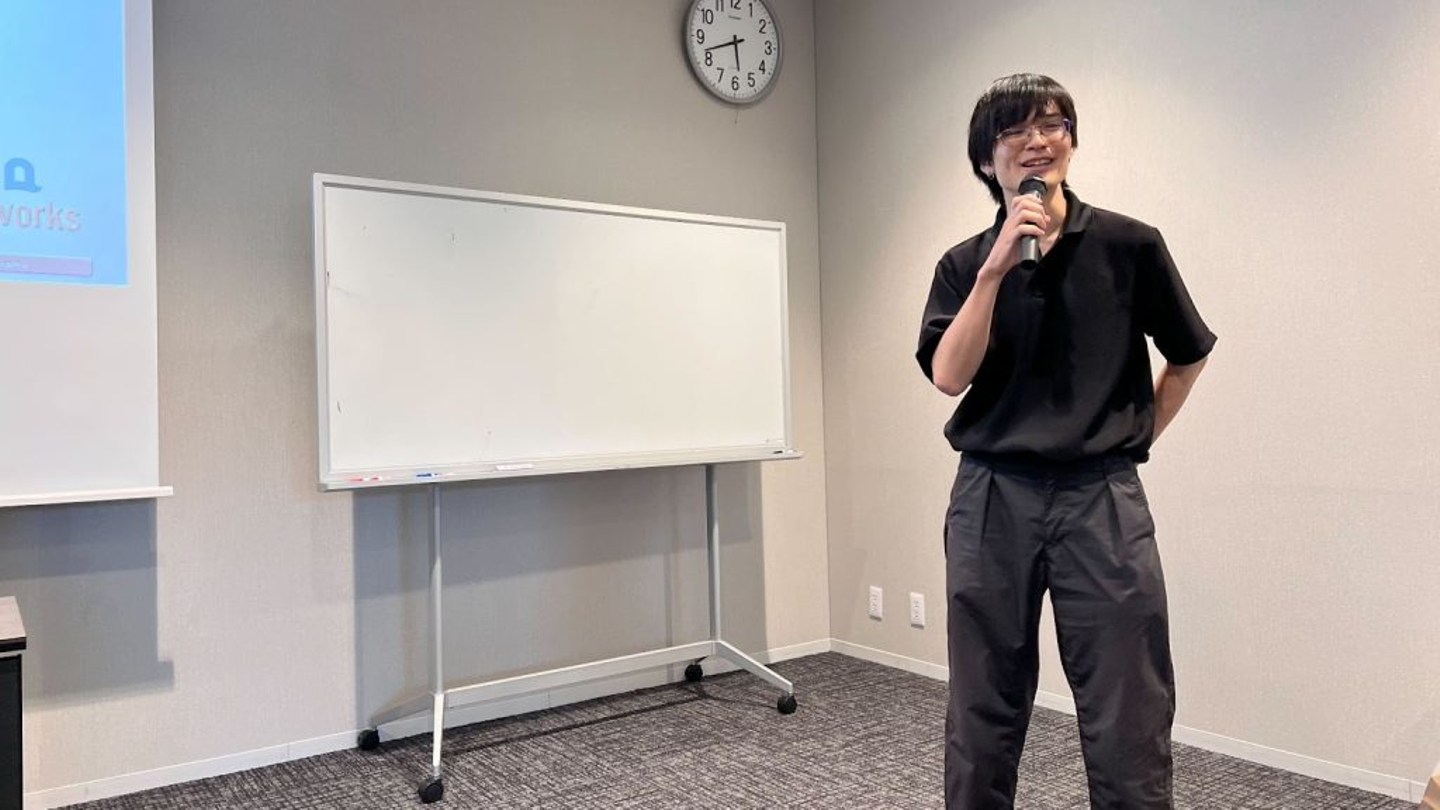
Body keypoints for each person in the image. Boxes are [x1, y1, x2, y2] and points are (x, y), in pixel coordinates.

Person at [916, 73, 1216, 809]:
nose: (1037, 141)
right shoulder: (963, 263)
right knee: (983, 706)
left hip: (1101, 499)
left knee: (1129, 707)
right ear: (986, 159)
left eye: (1052, 125)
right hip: (992, 498)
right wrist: (994, 271)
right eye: (1015, 131)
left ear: (1071, 143)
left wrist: (1131, 438)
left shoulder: (1129, 245)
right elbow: (949, 376)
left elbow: (1187, 354)